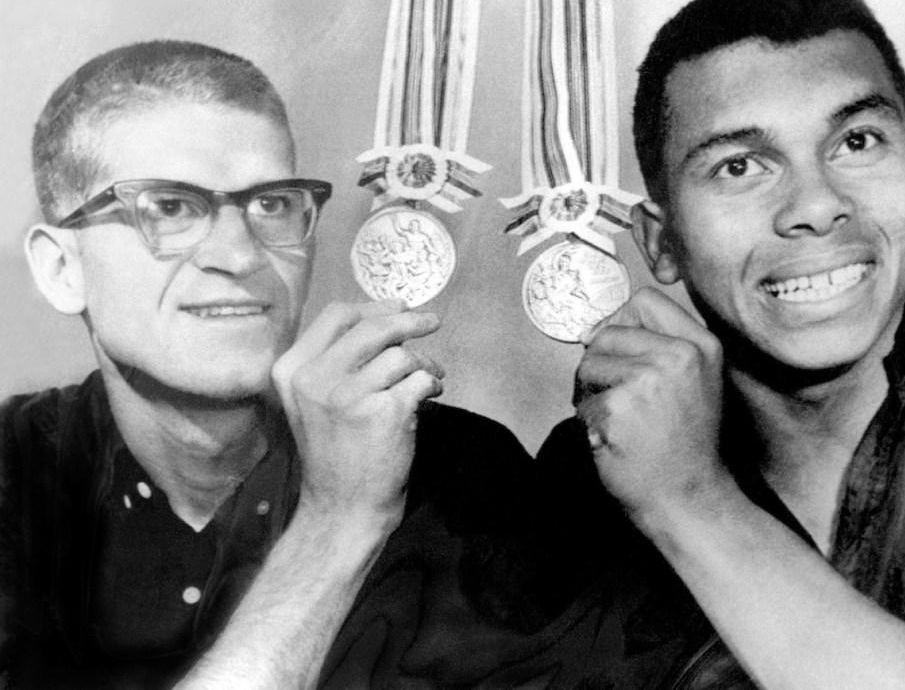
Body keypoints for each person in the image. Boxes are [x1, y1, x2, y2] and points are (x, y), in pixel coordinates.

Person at [0, 40, 547, 690]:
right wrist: (339, 521)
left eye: (271, 205)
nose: (239, 255)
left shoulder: (463, 476)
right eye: (170, 208)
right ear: (63, 269)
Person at [537, 0, 905, 688]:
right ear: (659, 242)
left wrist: (689, 500)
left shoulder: (663, 481)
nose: (817, 205)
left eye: (856, 140)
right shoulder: (594, 471)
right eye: (738, 166)